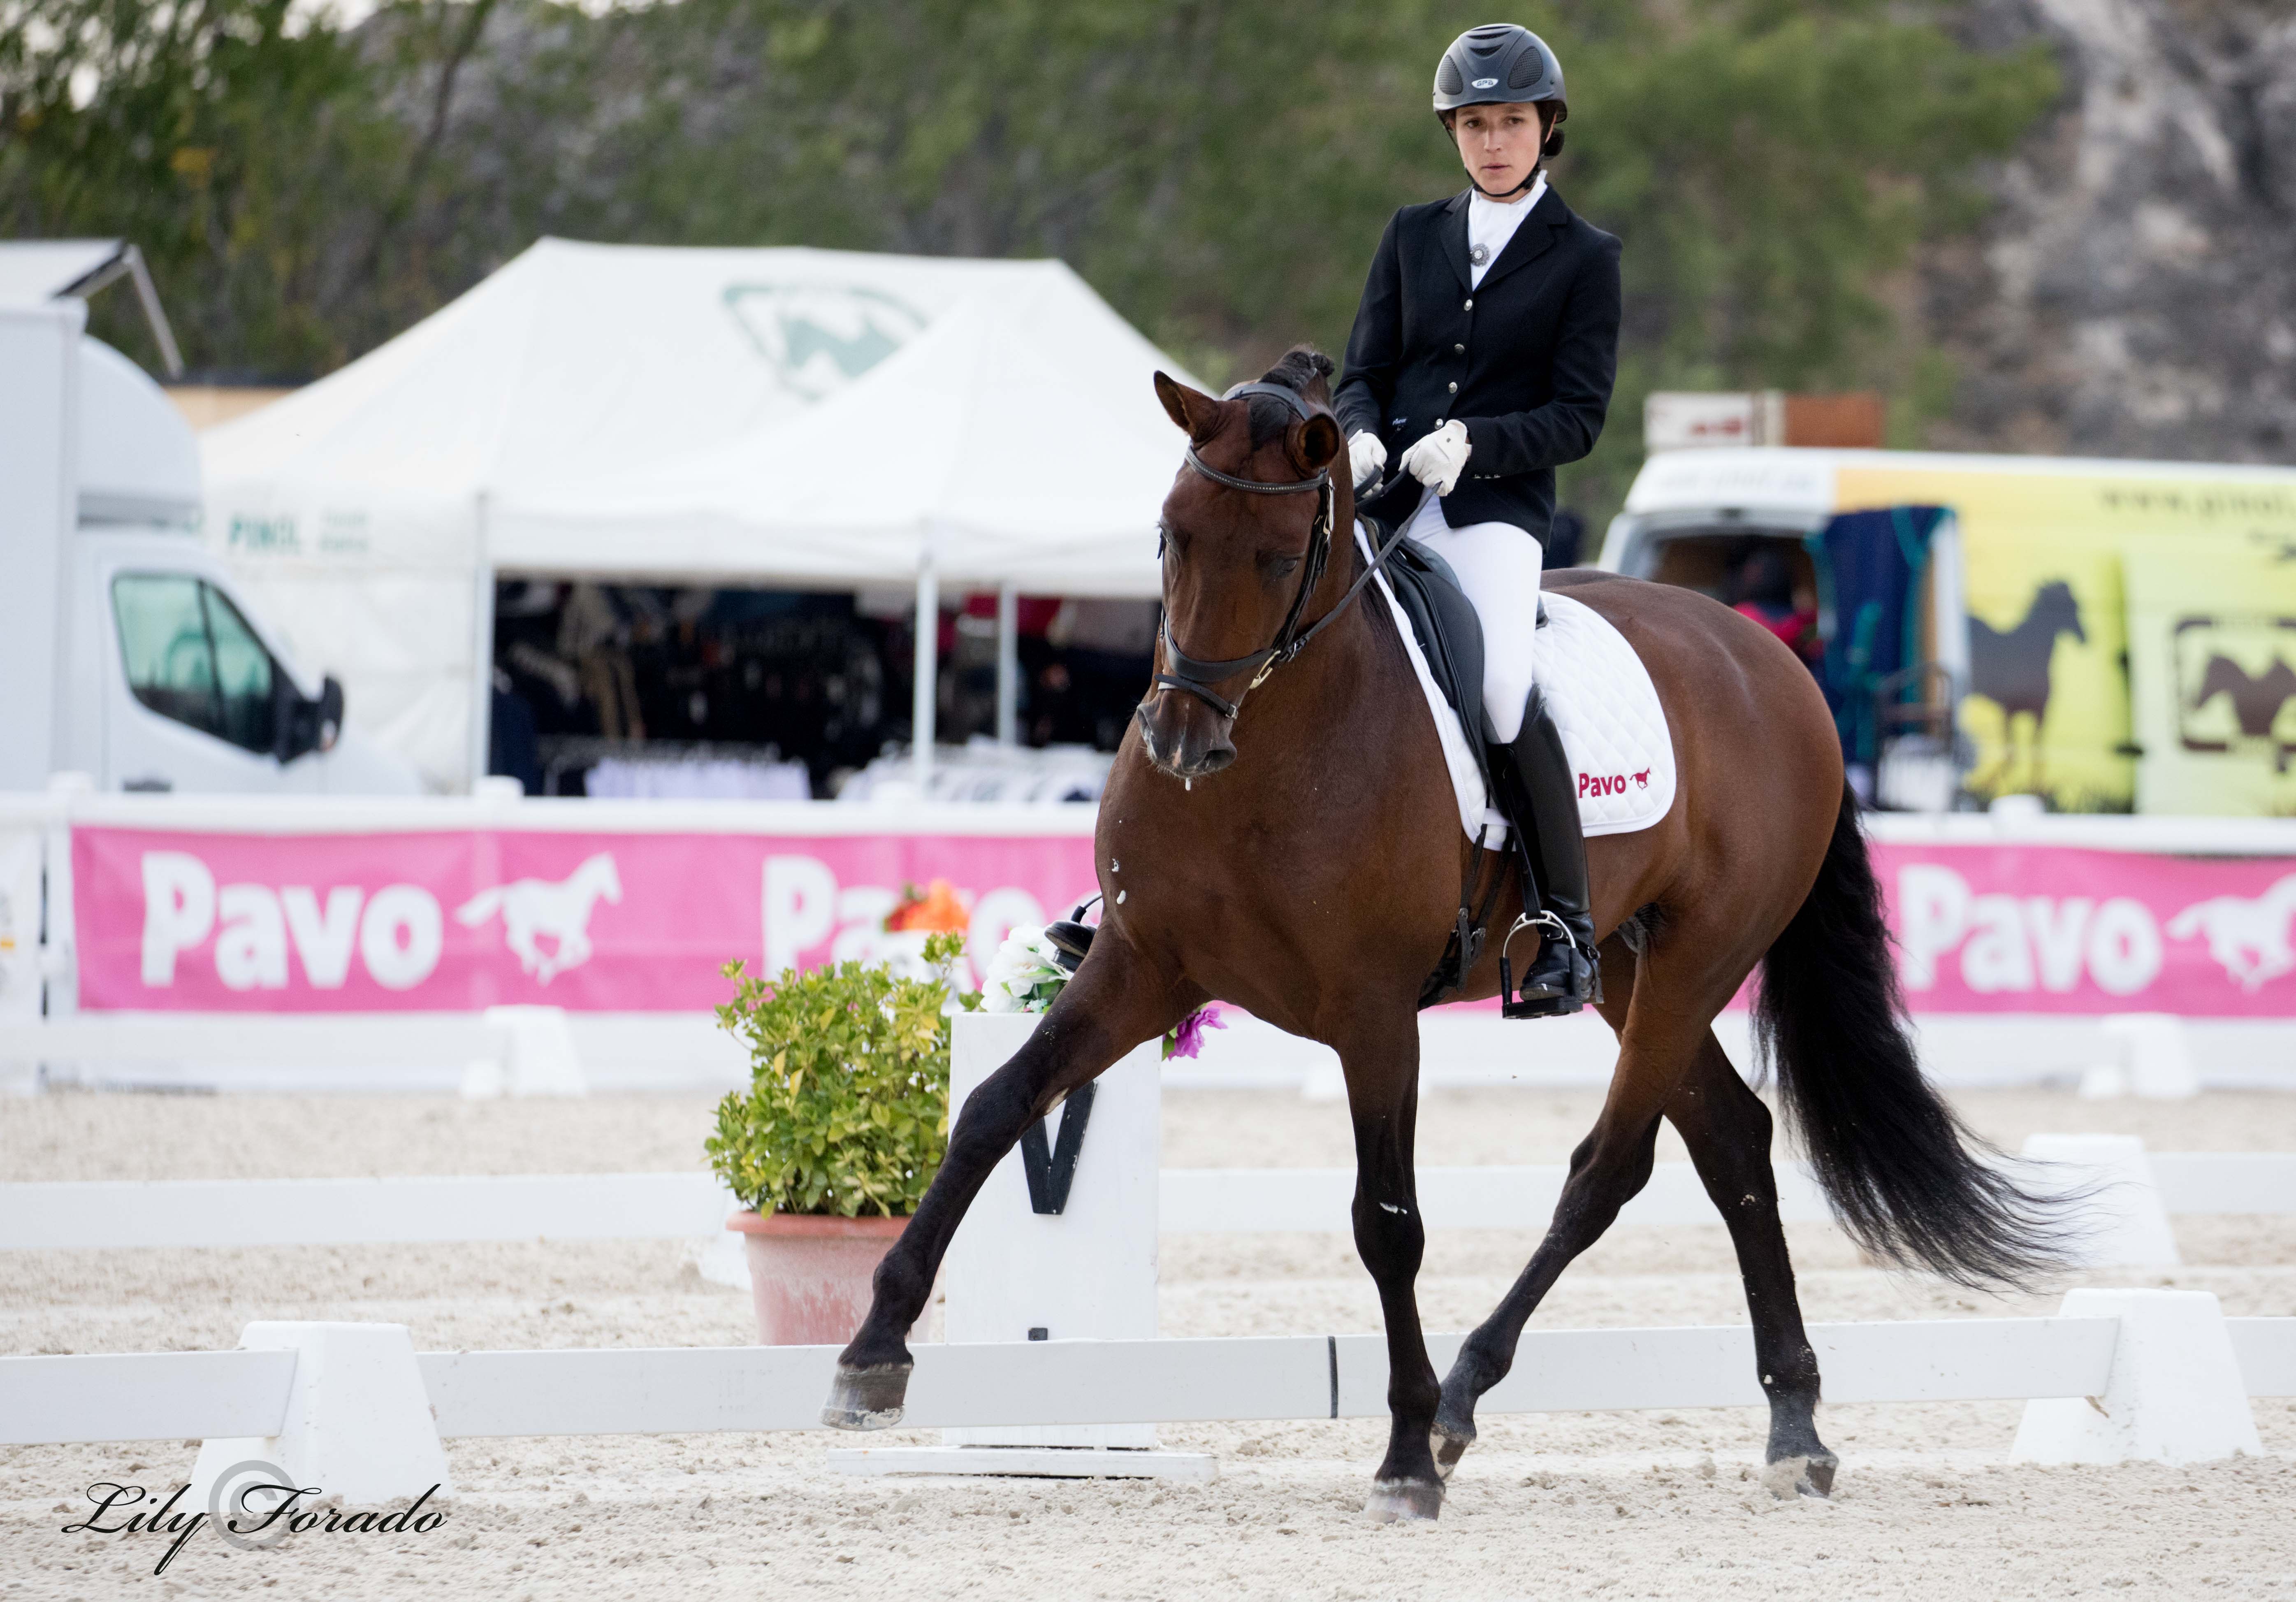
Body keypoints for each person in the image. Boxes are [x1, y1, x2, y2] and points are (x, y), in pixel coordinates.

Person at [1334, 22, 1621, 1016]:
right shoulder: (1411, 233)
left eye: (1510, 122)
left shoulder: (1584, 257)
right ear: (1452, 134)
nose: (1492, 140)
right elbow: (1361, 372)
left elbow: (1579, 417)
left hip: (1493, 511)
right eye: (1473, 124)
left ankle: (1565, 932)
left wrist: (1478, 443)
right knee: (1275, 632)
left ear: (1546, 128)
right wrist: (1359, 435)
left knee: (1499, 689)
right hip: (1391, 503)